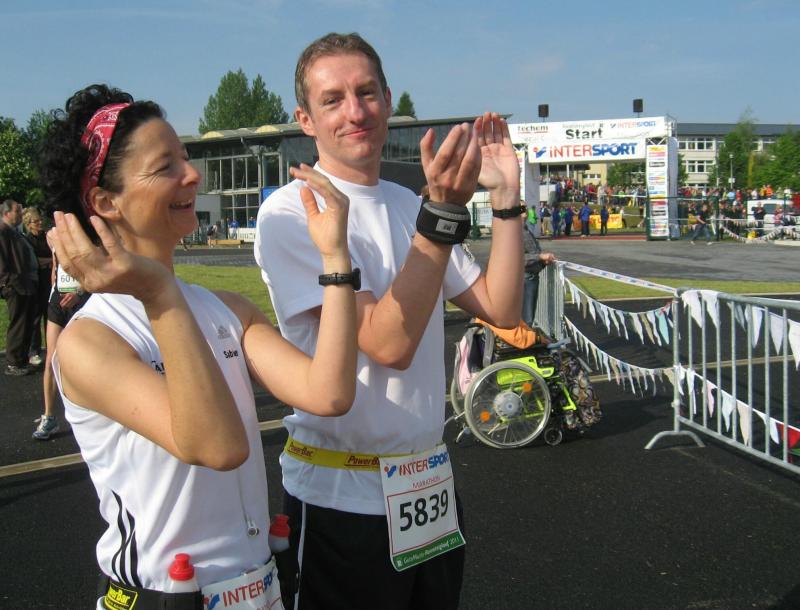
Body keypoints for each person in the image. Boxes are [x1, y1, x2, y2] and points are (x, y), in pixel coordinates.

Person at [40, 84, 358, 609]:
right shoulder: (91, 340)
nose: (192, 175)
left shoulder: (226, 308)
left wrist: (336, 258)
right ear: (104, 202)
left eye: (185, 158)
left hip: (260, 587)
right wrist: (158, 292)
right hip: (165, 594)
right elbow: (219, 447)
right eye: (164, 166)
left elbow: (329, 394)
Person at [255, 33, 523, 610]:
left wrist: (505, 200)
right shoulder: (292, 211)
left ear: (388, 99)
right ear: (305, 120)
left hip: (427, 486)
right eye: (333, 100)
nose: (356, 112)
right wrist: (442, 214)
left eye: (367, 92)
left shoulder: (407, 204)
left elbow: (501, 308)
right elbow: (388, 343)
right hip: (341, 496)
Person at [31, 251, 91, 440]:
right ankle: (49, 416)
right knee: (51, 359)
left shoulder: (91, 237)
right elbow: (54, 268)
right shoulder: (52, 238)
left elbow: (99, 272)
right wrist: (55, 291)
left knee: (84, 358)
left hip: (82, 300)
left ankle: (89, 413)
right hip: (57, 301)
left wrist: (79, 292)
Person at [0, 199, 37, 376]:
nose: (21, 215)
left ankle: (21, 360)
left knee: (26, 323)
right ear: (6, 213)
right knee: (18, 324)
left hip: (25, 284)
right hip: (15, 285)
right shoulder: (2, 231)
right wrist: (8, 282)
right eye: (17, 211)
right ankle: (13, 363)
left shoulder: (15, 232)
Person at [22, 207, 53, 366]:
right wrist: (51, 261)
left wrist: (49, 261)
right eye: (36, 221)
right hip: (36, 282)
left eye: (40, 220)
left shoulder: (46, 237)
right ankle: (33, 351)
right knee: (35, 318)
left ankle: (51, 347)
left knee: (50, 316)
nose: (40, 223)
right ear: (29, 224)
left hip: (49, 280)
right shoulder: (27, 240)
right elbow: (36, 261)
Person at [522, 221, 557, 328]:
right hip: (524, 278)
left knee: (528, 317)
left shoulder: (526, 230)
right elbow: (516, 258)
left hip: (531, 277)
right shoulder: (515, 232)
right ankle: (523, 337)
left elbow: (533, 254)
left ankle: (525, 335)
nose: (525, 213)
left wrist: (543, 262)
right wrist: (540, 257)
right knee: (526, 318)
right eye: (522, 211)